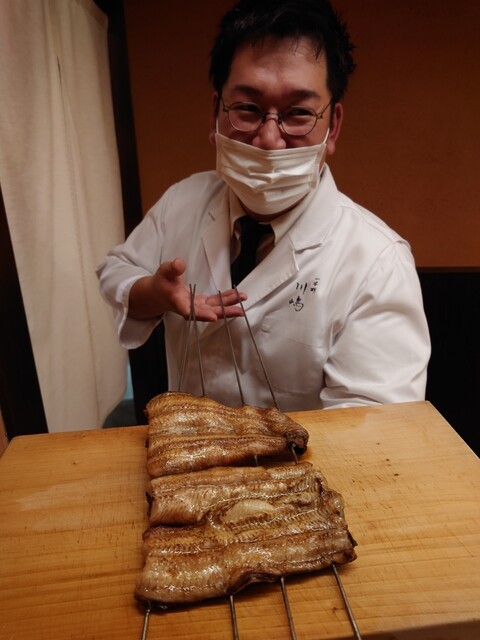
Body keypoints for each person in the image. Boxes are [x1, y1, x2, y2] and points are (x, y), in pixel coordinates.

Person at [97, 0, 430, 412]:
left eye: (299, 114)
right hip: (186, 448)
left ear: (333, 127)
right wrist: (153, 294)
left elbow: (373, 428)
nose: (270, 139)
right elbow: (117, 271)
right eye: (248, 109)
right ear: (215, 114)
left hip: (303, 457)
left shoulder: (377, 263)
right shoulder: (183, 201)